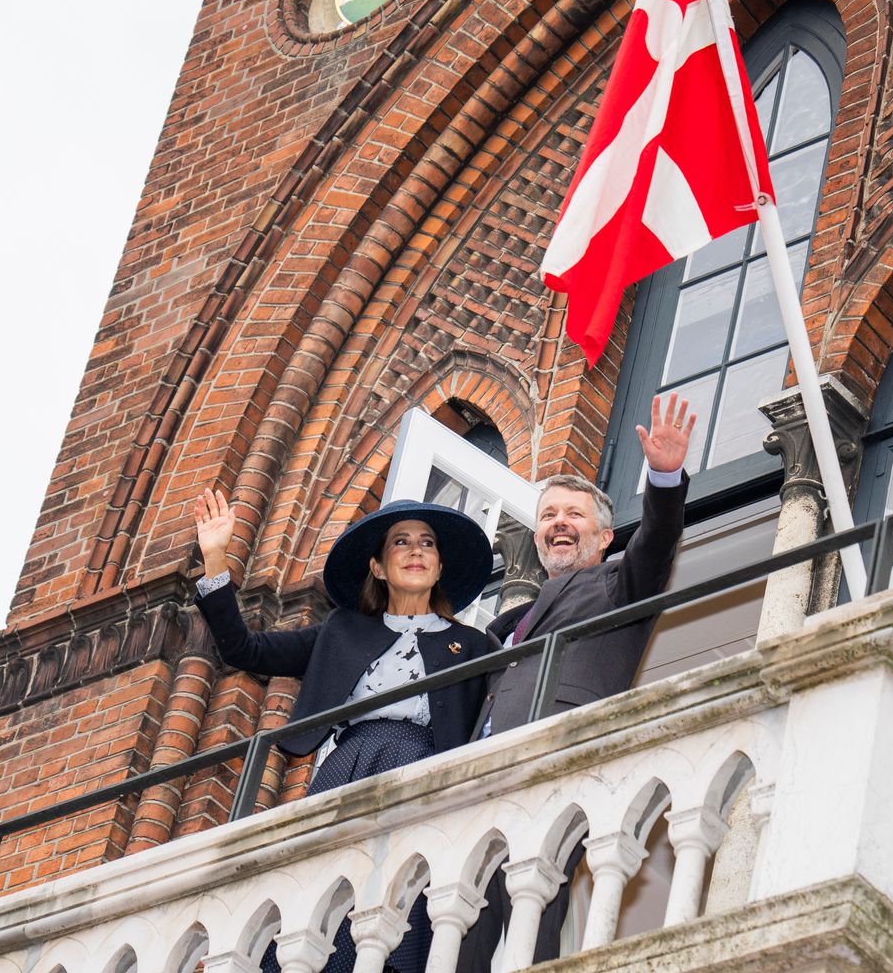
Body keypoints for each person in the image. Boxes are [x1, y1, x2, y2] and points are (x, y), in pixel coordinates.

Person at [192, 488, 500, 973]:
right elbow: (245, 651)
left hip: (424, 768)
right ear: (378, 566)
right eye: (401, 542)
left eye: (427, 543)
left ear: (441, 566)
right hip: (348, 765)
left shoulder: (475, 644)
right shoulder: (343, 630)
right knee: (322, 892)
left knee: (400, 894)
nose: (416, 551)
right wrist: (215, 561)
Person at [459, 391, 694, 971]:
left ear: (604, 536)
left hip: (557, 758)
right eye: (547, 517)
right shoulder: (510, 620)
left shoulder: (619, 584)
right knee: (467, 913)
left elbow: (657, 542)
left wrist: (663, 480)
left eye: (573, 515)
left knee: (535, 900)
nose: (558, 524)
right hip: (480, 771)